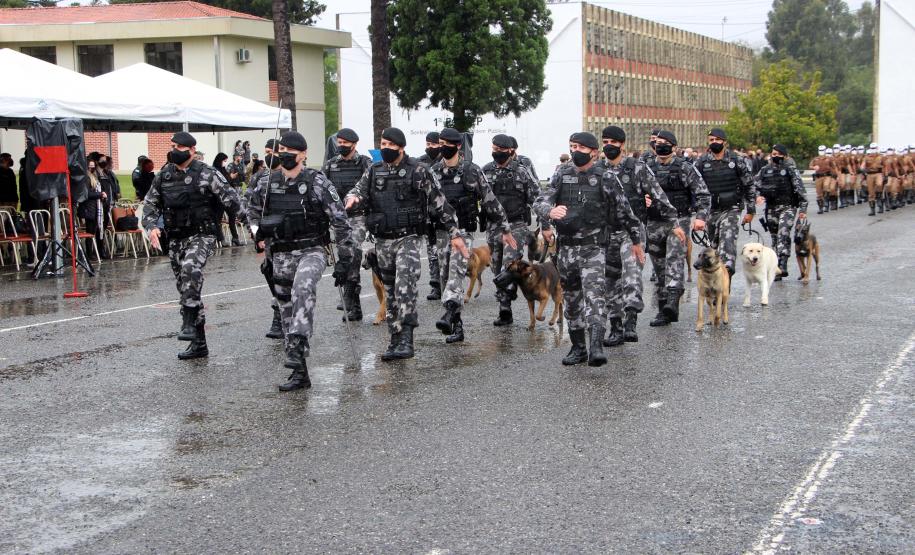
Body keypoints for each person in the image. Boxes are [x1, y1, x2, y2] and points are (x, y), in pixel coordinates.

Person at [345, 127, 464, 361]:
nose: (386, 149)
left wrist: (455, 233)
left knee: (404, 285)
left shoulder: (418, 170)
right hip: (383, 240)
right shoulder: (374, 171)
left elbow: (439, 203)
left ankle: (407, 338)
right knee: (390, 291)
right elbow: (358, 190)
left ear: (401, 147)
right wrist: (353, 197)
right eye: (383, 144)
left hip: (408, 238)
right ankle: (395, 337)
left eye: (390, 145)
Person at [247, 132, 354, 391]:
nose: (283, 154)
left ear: (303, 154)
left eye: (290, 150)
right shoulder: (266, 182)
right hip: (280, 254)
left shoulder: (317, 182)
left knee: (303, 287)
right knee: (285, 310)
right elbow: (250, 210)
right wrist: (257, 234)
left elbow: (340, 220)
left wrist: (345, 258)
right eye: (280, 149)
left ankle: (298, 342)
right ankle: (299, 372)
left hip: (311, 250)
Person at [533, 132, 644, 367]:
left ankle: (596, 347)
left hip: (594, 248)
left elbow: (625, 211)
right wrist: (549, 212)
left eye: (581, 148)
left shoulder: (606, 177)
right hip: (567, 250)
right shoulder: (561, 174)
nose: (576, 152)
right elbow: (540, 200)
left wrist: (636, 242)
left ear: (594, 152)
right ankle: (578, 347)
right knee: (572, 299)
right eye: (572, 147)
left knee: (595, 295)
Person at [142, 132, 241, 360]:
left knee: (190, 269)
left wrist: (257, 229)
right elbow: (150, 204)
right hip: (176, 238)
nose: (175, 149)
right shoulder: (165, 175)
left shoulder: (207, 173)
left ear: (192, 150)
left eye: (180, 146)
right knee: (186, 287)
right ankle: (198, 344)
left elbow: (232, 201)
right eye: (173, 145)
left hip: (202, 235)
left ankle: (187, 324)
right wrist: (151, 226)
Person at [429, 128, 516, 343]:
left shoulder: (471, 171)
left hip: (464, 233)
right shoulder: (432, 172)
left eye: (447, 143)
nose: (442, 147)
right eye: (440, 142)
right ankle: (456, 326)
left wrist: (505, 228)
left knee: (456, 274)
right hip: (441, 234)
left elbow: (490, 201)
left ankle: (449, 314)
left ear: (458, 146)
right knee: (444, 278)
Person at [598, 125, 671, 342]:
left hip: (633, 232)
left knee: (631, 275)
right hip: (607, 232)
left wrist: (673, 222)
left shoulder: (637, 168)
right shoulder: (598, 170)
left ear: (622, 145)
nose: (609, 146)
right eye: (605, 142)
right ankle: (616, 326)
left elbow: (659, 195)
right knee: (610, 281)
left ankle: (630, 320)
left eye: (613, 142)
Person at [644, 130, 710, 327]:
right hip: (653, 222)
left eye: (665, 143)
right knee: (659, 266)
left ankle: (672, 303)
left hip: (678, 221)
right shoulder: (646, 168)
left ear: (674, 147)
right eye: (658, 142)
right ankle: (664, 308)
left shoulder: (684, 167)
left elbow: (703, 194)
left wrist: (700, 218)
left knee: (674, 259)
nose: (661, 146)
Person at [483, 134, 540, 326]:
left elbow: (536, 198)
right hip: (494, 227)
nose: (496, 153)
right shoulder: (486, 171)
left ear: (510, 151)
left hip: (516, 225)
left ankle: (505, 307)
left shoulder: (521, 171)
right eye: (494, 149)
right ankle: (504, 301)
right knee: (496, 266)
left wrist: (546, 224)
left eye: (501, 150)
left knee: (509, 265)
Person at [321, 127, 373, 322]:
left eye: (345, 143)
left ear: (354, 144)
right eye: (339, 143)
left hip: (358, 216)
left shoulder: (365, 163)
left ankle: (350, 292)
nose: (341, 146)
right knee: (345, 255)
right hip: (338, 219)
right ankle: (354, 304)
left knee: (354, 251)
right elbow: (321, 188)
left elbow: (371, 188)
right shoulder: (331, 165)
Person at [694, 128, 757, 279]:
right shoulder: (701, 162)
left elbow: (749, 185)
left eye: (717, 140)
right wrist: (698, 214)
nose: (714, 143)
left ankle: (727, 274)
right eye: (711, 140)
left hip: (731, 209)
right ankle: (713, 279)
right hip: (711, 211)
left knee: (727, 241)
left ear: (724, 142)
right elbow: (693, 186)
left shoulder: (736, 160)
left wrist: (750, 210)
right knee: (712, 247)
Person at [245, 139, 284, 339]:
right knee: (271, 271)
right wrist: (256, 232)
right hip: (269, 236)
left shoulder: (293, 175)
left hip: (293, 236)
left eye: (273, 151)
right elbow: (250, 204)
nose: (269, 155)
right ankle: (279, 315)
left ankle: (292, 316)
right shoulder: (260, 177)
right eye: (266, 151)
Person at [756, 144, 807, 279]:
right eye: (773, 154)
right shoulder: (765, 170)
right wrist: (758, 195)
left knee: (783, 233)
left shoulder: (790, 170)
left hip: (788, 207)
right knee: (774, 237)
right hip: (771, 208)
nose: (775, 156)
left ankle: (782, 263)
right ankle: (775, 266)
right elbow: (754, 185)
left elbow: (800, 189)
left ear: (785, 156)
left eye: (778, 154)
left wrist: (803, 209)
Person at [417, 131, 443, 301]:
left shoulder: (447, 160)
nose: (430, 148)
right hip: (427, 215)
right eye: (428, 144)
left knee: (447, 252)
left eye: (433, 144)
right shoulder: (420, 162)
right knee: (432, 252)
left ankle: (450, 282)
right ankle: (435, 285)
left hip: (443, 214)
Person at [78, 159, 109, 258]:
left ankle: (96, 251)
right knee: (90, 232)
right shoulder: (86, 178)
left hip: (95, 207)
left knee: (96, 231)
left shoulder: (94, 176)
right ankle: (89, 253)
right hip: (89, 208)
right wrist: (100, 194)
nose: (91, 168)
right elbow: (87, 194)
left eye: (93, 166)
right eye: (89, 166)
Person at [212, 153, 242, 246]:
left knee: (232, 217)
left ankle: (235, 238)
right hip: (218, 200)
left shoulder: (224, 170)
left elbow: (228, 182)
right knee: (218, 220)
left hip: (229, 199)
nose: (225, 163)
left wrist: (231, 178)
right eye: (224, 161)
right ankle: (221, 240)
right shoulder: (214, 171)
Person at [809, 146, 836, 214]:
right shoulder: (815, 159)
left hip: (827, 176)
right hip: (818, 177)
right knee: (819, 193)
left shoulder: (829, 159)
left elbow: (833, 167)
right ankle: (820, 208)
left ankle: (826, 204)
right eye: (820, 150)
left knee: (826, 187)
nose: (821, 151)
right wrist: (814, 167)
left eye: (822, 150)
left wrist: (835, 176)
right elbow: (810, 166)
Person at [860, 143, 884, 216]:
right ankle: (872, 210)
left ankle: (879, 199)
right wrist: (863, 170)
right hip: (870, 175)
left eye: (874, 148)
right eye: (872, 148)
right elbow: (862, 166)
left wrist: (885, 175)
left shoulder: (881, 157)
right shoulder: (866, 157)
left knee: (879, 185)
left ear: (877, 148)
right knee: (871, 193)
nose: (873, 149)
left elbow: (885, 166)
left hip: (878, 173)